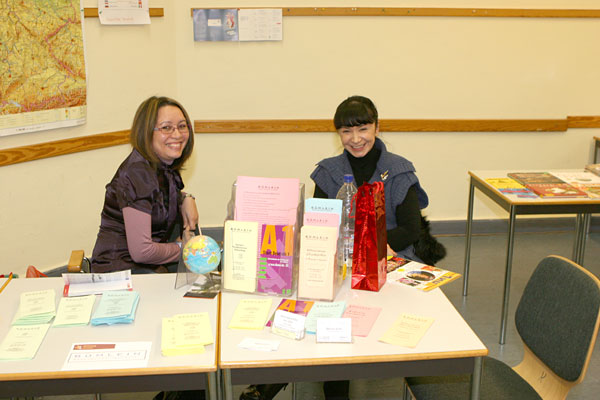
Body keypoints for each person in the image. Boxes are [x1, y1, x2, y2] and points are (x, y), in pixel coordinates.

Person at [240, 95, 444, 400]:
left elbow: (411, 229)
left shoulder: (399, 169)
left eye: (362, 128)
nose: (355, 139)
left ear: (377, 126)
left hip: (386, 257)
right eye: (346, 132)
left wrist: (369, 251)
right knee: (314, 305)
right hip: (338, 257)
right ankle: (302, 380)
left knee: (365, 311)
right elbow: (318, 223)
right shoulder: (329, 170)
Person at [91, 96, 199, 274]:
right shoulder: (137, 173)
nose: (178, 135)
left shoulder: (162, 165)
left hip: (148, 269)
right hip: (119, 272)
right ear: (146, 132)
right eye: (166, 128)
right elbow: (142, 252)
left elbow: (159, 198)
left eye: (182, 126)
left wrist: (186, 198)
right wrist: (187, 249)